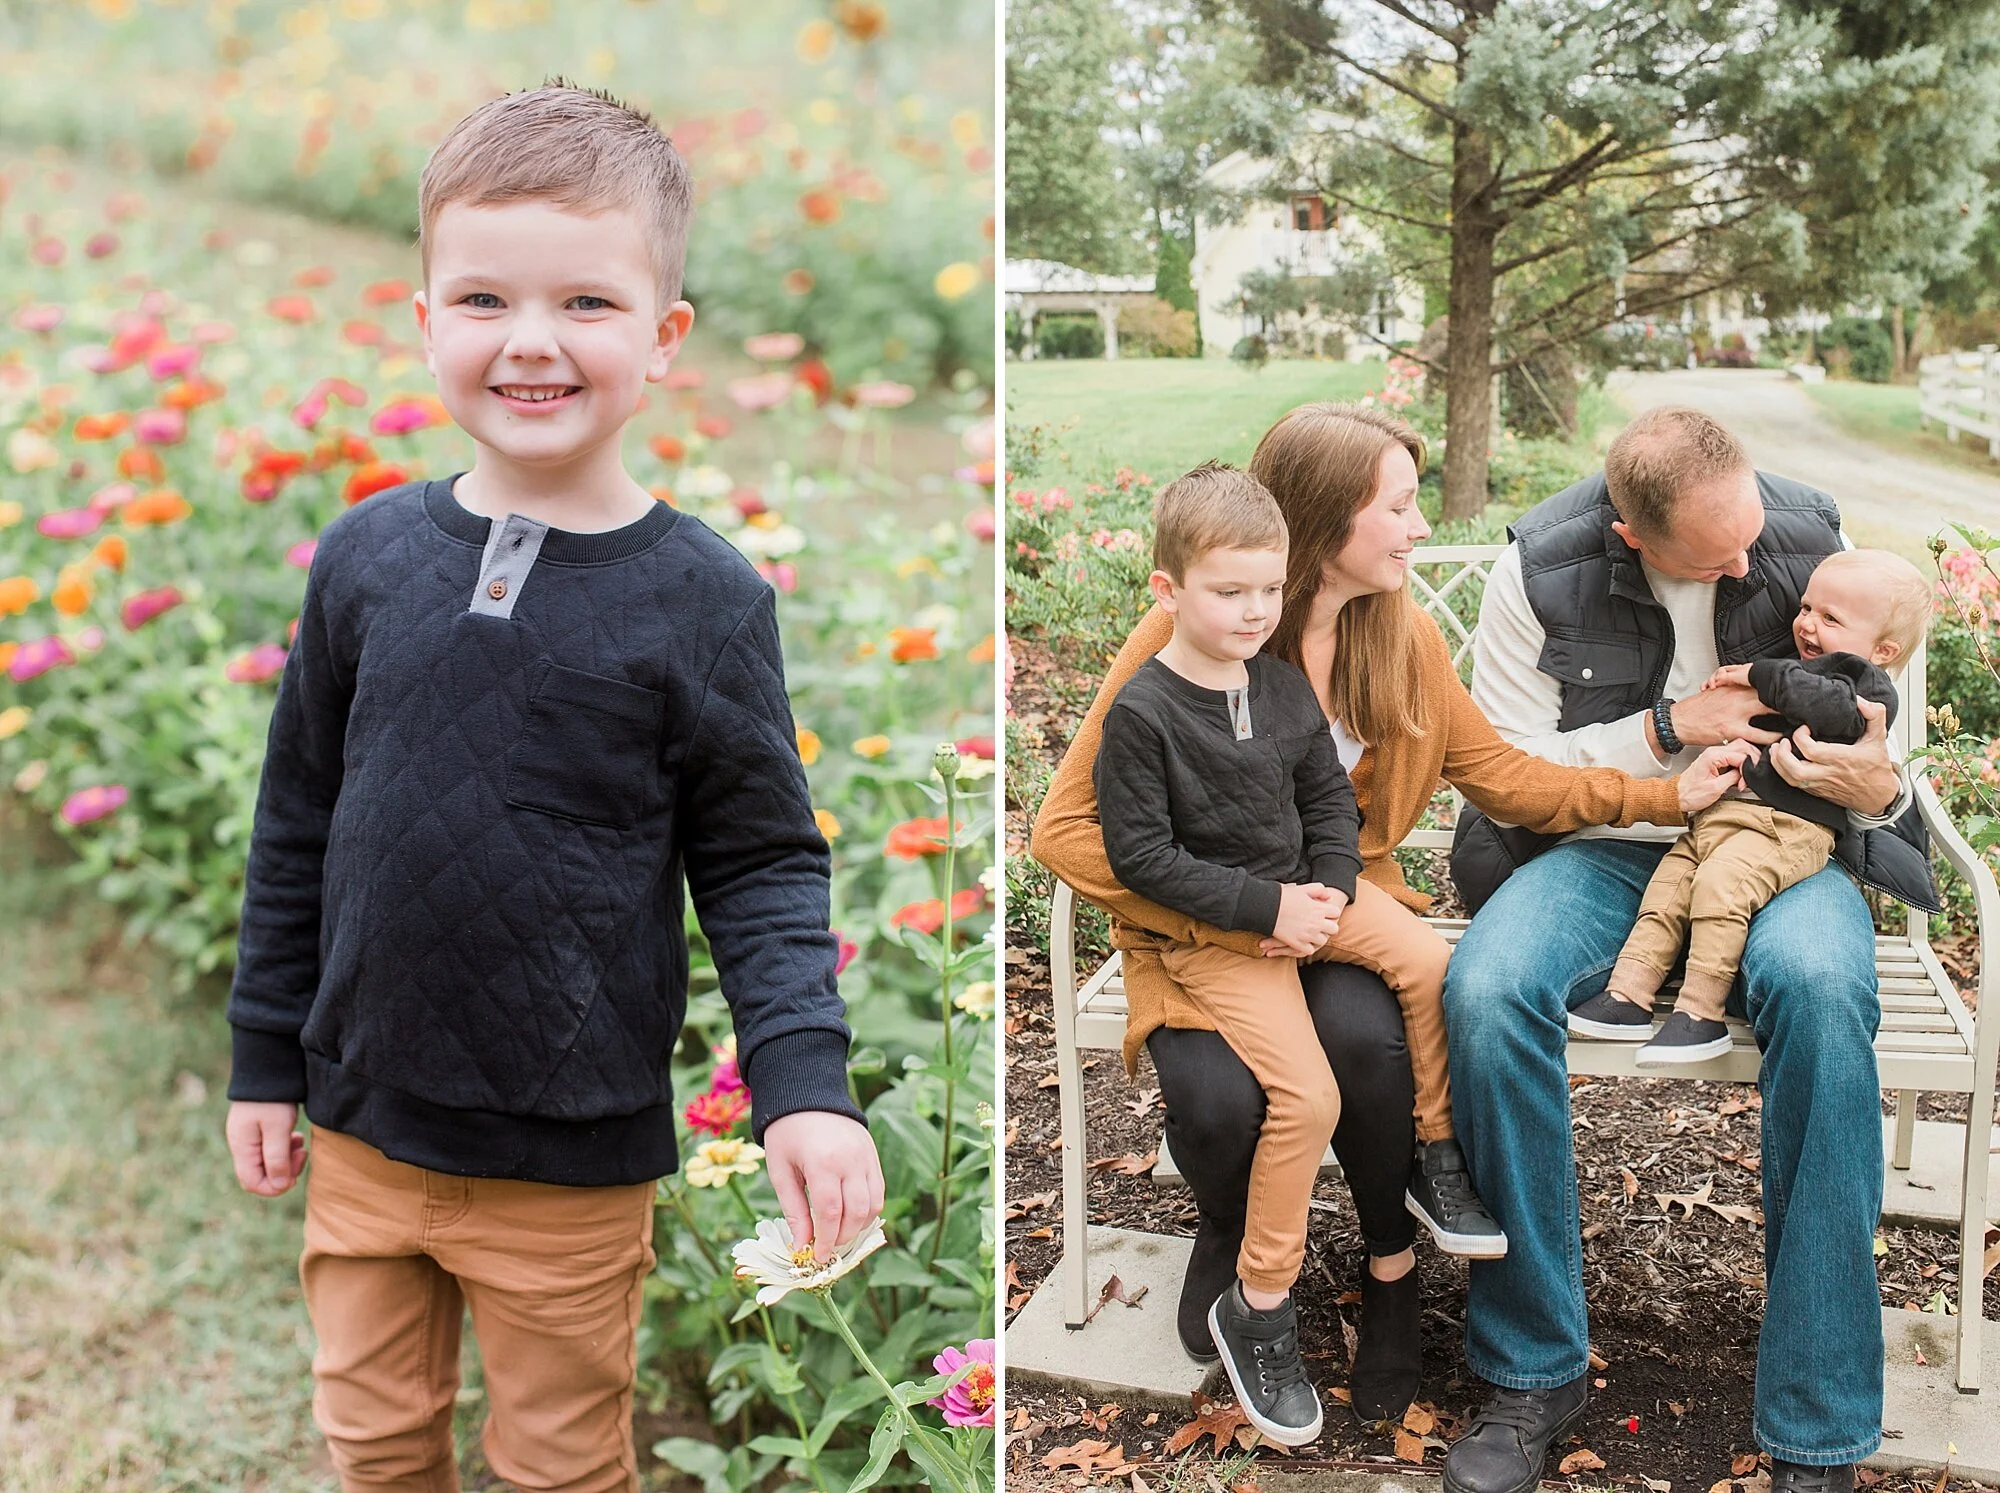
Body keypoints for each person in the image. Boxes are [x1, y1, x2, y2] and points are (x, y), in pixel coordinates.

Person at [221, 83, 883, 1493]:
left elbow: (764, 861)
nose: (530, 341)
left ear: (664, 337)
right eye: (483, 300)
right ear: (425, 323)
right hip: (360, 1129)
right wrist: (264, 1054)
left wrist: (804, 1088)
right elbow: (298, 822)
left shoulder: (700, 600)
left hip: (567, 1166)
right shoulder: (364, 560)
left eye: (587, 302)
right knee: (374, 1437)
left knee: (562, 1462)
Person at [1031, 402, 1749, 1424]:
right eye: (1400, 506)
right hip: (1193, 922)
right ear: (1325, 519)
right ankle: (1227, 1231)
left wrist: (1657, 791)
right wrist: (1245, 909)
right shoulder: (1194, 631)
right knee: (1219, 1099)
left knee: (1369, 1048)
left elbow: (1501, 775)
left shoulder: (1398, 633)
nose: (1417, 529)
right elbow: (1064, 829)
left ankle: (1390, 1265)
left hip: (1337, 900)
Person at [1442, 406, 1938, 1493]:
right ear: (1629, 535)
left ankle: (1816, 1420)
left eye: (1752, 533)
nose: (1746, 563)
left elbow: (1885, 736)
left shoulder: (1802, 531)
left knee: (1815, 985)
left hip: (1788, 845)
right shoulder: (1537, 566)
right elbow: (1509, 767)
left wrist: (1874, 784)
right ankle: (1534, 1368)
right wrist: (1667, 730)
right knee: (1482, 987)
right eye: (1715, 554)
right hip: (1609, 843)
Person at [1093, 460, 1504, 1445]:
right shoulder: (1142, 713)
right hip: (1225, 934)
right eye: (1225, 591)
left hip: (1307, 900)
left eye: (1264, 591)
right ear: (1167, 592)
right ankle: (1261, 1302)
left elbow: (1326, 794)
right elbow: (1138, 855)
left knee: (1426, 960)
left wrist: (1328, 882)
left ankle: (1434, 1156)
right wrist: (1264, 905)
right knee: (1308, 1096)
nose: (1249, 610)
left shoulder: (1275, 688)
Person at [1570, 548, 1931, 1065]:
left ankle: (1700, 1014)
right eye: (1807, 607)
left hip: (1790, 829)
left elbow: (1827, 707)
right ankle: (1628, 994)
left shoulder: (1864, 689)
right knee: (1670, 889)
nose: (1807, 624)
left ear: (1883, 650)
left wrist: (1759, 674)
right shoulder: (1800, 669)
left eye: (1831, 619)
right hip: (1724, 817)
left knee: (1721, 888)